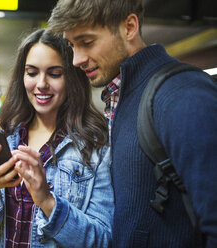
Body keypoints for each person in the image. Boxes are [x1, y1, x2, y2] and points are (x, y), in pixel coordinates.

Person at [48, 0, 217, 247]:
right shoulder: (124, 95)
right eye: (72, 45)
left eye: (87, 42)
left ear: (129, 27)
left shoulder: (182, 95)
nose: (76, 59)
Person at [0, 28, 114, 247]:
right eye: (32, 72)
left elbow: (103, 240)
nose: (41, 83)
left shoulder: (96, 145)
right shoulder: (9, 136)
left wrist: (47, 201)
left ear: (72, 78)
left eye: (55, 73)